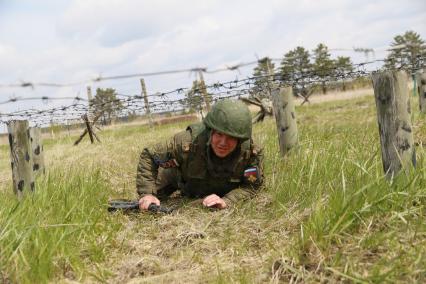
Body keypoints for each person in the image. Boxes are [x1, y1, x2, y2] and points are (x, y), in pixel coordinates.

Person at [136, 99, 264, 210]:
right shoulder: (187, 141)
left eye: (231, 138)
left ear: (240, 140)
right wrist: (147, 193)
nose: (223, 143)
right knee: (148, 203)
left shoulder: (251, 153)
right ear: (210, 131)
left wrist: (227, 201)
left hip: (224, 190)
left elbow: (251, 186)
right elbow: (150, 155)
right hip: (181, 178)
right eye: (219, 134)